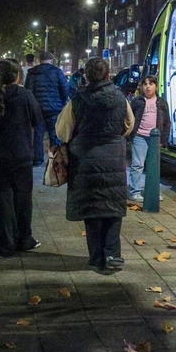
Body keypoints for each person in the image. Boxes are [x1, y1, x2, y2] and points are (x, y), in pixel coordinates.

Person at [55, 58, 134, 272]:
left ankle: (96, 257)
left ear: (86, 77)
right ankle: (113, 255)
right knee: (113, 208)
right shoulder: (120, 97)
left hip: (85, 161)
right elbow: (129, 124)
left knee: (92, 209)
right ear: (108, 76)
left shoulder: (78, 100)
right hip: (113, 158)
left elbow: (63, 130)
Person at [0, 59, 43, 257]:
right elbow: (37, 120)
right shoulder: (26, 96)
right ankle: (24, 239)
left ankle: (4, 243)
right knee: (22, 199)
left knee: (0, 201)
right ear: (17, 76)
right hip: (22, 156)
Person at [127, 76, 171, 203]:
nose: (147, 86)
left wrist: (163, 139)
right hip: (139, 136)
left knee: (153, 166)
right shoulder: (137, 102)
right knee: (137, 164)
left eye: (151, 84)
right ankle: (134, 191)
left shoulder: (161, 102)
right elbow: (130, 119)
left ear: (156, 86)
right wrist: (130, 136)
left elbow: (167, 122)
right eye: (145, 84)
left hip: (154, 138)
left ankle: (152, 191)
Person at [25, 50, 69, 167]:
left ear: (39, 60)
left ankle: (38, 159)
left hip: (37, 109)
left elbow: (28, 91)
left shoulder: (32, 73)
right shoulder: (57, 72)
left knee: (38, 134)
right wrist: (62, 102)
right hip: (55, 109)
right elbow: (65, 90)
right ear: (52, 60)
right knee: (54, 134)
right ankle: (55, 159)